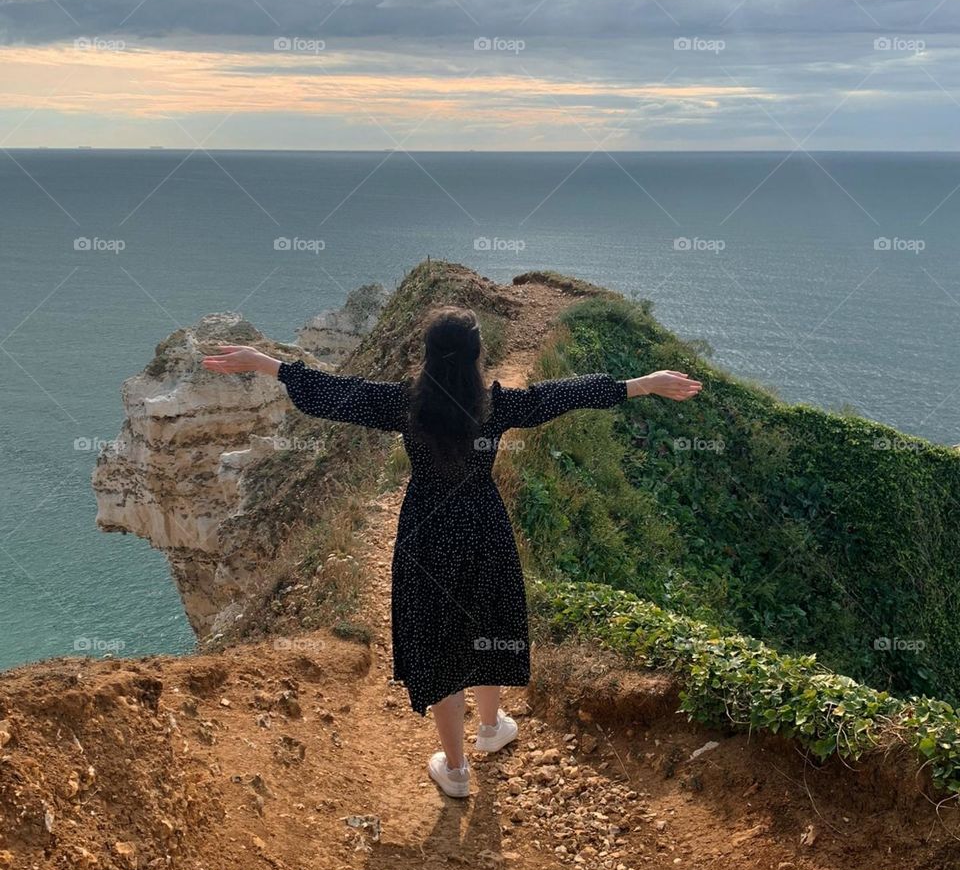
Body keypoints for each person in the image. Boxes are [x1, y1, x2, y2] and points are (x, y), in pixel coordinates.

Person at [202, 306, 702, 797]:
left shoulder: (405, 404)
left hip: (426, 530)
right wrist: (641, 383)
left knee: (441, 639)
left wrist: (266, 363)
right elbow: (560, 396)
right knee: (485, 623)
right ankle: (491, 725)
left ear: (427, 356)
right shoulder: (496, 406)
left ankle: (457, 768)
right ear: (477, 356)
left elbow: (337, 394)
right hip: (483, 525)